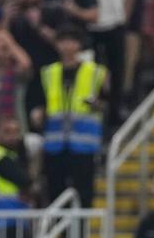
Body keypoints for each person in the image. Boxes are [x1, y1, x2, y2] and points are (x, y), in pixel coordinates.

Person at [74, 0, 143, 123]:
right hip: (87, 23)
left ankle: (116, 110)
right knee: (89, 71)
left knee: (117, 68)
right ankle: (91, 110)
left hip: (115, 19)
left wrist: (125, 17)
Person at [38, 27, 106, 208]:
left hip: (84, 144)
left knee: (84, 192)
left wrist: (98, 104)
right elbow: (42, 103)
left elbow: (108, 102)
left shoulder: (95, 72)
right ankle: (59, 226)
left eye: (72, 41)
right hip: (55, 144)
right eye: (63, 41)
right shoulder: (49, 72)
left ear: (79, 45)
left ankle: (82, 227)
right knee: (55, 193)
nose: (67, 46)